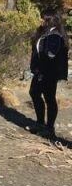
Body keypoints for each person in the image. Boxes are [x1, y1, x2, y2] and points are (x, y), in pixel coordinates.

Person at [29, 13, 69, 141]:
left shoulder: (54, 36)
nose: (41, 21)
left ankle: (49, 128)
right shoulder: (45, 33)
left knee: (49, 98)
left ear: (51, 21)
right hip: (41, 72)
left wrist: (42, 72)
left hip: (48, 73)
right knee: (35, 93)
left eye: (44, 19)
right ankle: (41, 123)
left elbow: (50, 56)